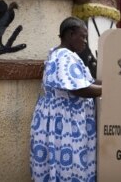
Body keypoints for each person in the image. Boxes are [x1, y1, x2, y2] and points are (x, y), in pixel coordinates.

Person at [30, 16, 102, 182]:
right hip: (64, 123)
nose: (85, 41)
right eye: (82, 36)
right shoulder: (65, 57)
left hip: (57, 119)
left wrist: (113, 83)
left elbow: (87, 81)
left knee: (56, 165)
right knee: (69, 166)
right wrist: (110, 90)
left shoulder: (59, 53)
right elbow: (80, 88)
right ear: (70, 34)